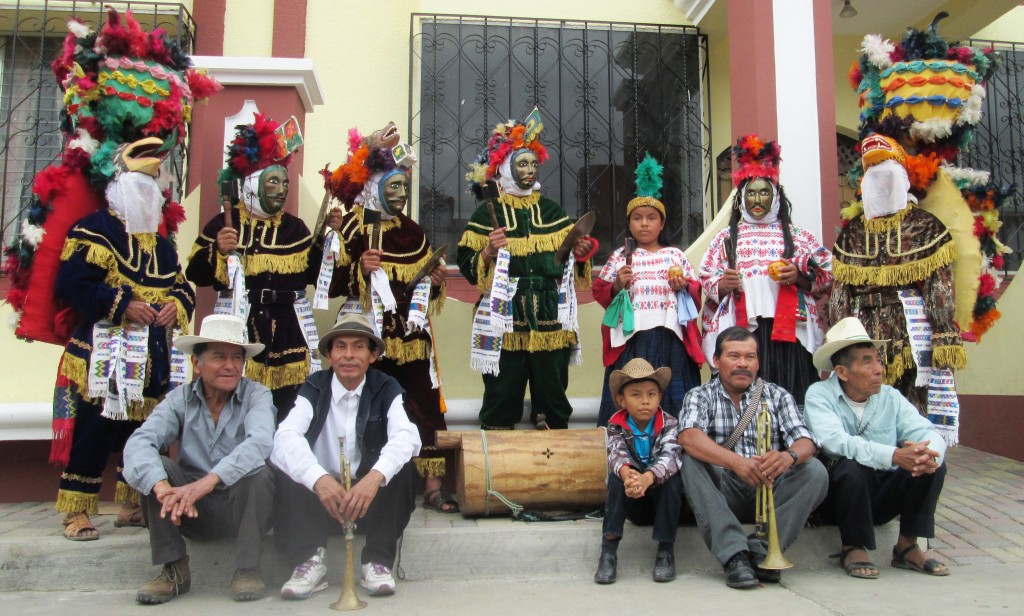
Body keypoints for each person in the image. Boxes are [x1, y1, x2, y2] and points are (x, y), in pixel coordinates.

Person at [52, 155, 196, 541]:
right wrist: (121, 304)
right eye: (141, 191)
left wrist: (176, 306)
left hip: (152, 359)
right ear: (118, 192)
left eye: (154, 193)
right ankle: (77, 510)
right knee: (95, 430)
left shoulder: (163, 247)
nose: (150, 199)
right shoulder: (93, 230)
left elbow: (182, 286)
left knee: (145, 433)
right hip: (104, 355)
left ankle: (132, 503)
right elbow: (71, 285)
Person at [326, 124, 455, 512]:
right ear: (375, 187)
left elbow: (427, 288)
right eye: (392, 187)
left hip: (412, 336)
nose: (399, 194)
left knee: (425, 404)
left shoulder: (414, 232)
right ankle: (364, 480)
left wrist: (434, 281)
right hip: (368, 338)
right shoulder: (350, 225)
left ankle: (432, 484)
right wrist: (359, 272)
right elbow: (329, 283)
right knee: (365, 405)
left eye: (403, 188)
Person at [457, 112, 596, 429]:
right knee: (500, 394)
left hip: (551, 313)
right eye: (522, 164)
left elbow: (567, 260)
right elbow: (468, 265)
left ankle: (554, 458)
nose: (530, 170)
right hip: (503, 315)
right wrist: (489, 251)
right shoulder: (486, 211)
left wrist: (581, 254)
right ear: (506, 167)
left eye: (534, 164)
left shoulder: (552, 211)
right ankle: (496, 463)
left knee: (553, 393)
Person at [123, 314, 276, 603]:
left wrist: (207, 483)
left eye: (236, 358)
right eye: (219, 357)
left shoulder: (257, 395)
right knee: (157, 468)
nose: (230, 366)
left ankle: (247, 569)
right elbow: (140, 442)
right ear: (197, 363)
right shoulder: (179, 399)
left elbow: (260, 443)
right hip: (189, 510)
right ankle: (174, 569)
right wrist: (162, 488)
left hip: (240, 508)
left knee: (258, 473)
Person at [272, 313, 421, 600]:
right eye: (340, 346)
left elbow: (407, 435)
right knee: (288, 464)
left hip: (368, 506)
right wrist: (319, 480)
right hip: (322, 505)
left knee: (403, 470)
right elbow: (285, 437)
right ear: (329, 354)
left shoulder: (385, 387)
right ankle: (308, 560)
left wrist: (375, 478)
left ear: (372, 355)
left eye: (359, 347)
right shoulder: (314, 387)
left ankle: (376, 561)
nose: (349, 355)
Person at [187, 114, 323, 422]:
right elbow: (196, 275)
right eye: (272, 181)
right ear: (250, 185)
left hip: (288, 333)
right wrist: (218, 249)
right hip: (240, 331)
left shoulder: (296, 229)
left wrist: (329, 242)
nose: (281, 189)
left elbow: (315, 277)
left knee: (287, 411)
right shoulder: (226, 223)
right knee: (234, 408)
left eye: (285, 182)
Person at [678, 326, 827, 589]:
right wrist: (736, 463)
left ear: (758, 362)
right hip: (725, 491)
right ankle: (734, 555)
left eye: (750, 357)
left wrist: (788, 457)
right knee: (691, 461)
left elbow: (806, 441)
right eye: (734, 356)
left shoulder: (777, 395)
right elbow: (689, 437)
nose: (743, 364)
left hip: (770, 489)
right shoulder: (699, 395)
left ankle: (762, 550)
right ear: (716, 361)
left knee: (814, 471)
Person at [830, 134, 965, 418]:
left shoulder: (925, 227)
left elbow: (938, 286)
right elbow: (840, 294)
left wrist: (942, 332)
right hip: (864, 328)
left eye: (888, 177)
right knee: (866, 404)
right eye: (874, 179)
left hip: (911, 330)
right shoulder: (852, 233)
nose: (881, 185)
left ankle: (913, 456)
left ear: (902, 179)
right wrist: (839, 338)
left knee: (912, 403)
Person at [804, 317, 949, 579]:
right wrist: (893, 455)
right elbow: (835, 442)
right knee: (850, 465)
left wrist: (929, 454)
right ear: (842, 372)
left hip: (880, 496)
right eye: (866, 361)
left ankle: (907, 546)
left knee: (932, 464)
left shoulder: (890, 397)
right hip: (837, 499)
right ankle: (853, 547)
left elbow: (926, 430)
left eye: (877, 360)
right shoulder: (818, 395)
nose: (878, 369)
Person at [699, 135, 832, 406]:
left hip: (790, 332)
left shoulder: (799, 236)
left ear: (775, 197)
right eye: (750, 193)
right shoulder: (725, 237)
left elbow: (828, 274)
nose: (757, 199)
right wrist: (724, 284)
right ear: (740, 199)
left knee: (793, 391)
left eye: (764, 192)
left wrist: (800, 277)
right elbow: (705, 277)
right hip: (742, 329)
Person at [594, 153, 704, 426]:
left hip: (670, 341)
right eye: (638, 218)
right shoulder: (621, 256)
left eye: (651, 218)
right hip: (632, 340)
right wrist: (618, 284)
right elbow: (601, 290)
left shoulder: (675, 255)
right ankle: (624, 451)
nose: (644, 223)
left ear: (662, 223)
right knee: (633, 398)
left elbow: (696, 292)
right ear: (629, 224)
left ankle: (678, 448)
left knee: (672, 400)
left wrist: (684, 286)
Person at [595, 358, 684, 585]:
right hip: (633, 501)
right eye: (636, 395)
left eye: (651, 394)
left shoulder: (670, 424)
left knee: (673, 480)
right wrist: (628, 477)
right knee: (616, 479)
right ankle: (608, 551)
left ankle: (665, 551)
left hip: (661, 502)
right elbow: (616, 455)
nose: (645, 401)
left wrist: (648, 477)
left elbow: (671, 457)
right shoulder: (615, 425)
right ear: (621, 400)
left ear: (659, 397)